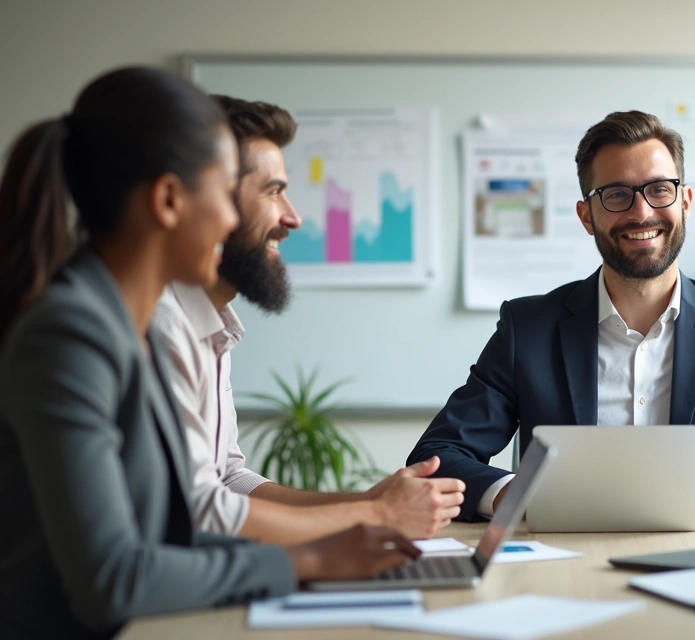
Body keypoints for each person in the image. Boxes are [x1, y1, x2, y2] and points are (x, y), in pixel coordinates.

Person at [0, 67, 417, 640]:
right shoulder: (71, 334)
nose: (228, 221)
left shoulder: (127, 325)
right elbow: (115, 580)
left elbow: (181, 517)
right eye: (222, 194)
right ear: (169, 200)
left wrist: (342, 534)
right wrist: (311, 560)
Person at [408, 110, 695, 526]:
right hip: (560, 571)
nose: (641, 213)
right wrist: (513, 494)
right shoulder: (529, 328)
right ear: (587, 216)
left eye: (659, 190)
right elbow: (437, 457)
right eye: (616, 195)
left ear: (685, 202)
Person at [152, 95, 464, 545]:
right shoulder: (162, 325)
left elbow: (228, 478)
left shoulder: (212, 323)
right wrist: (372, 514)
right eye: (272, 190)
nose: (293, 217)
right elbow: (199, 509)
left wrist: (359, 506)